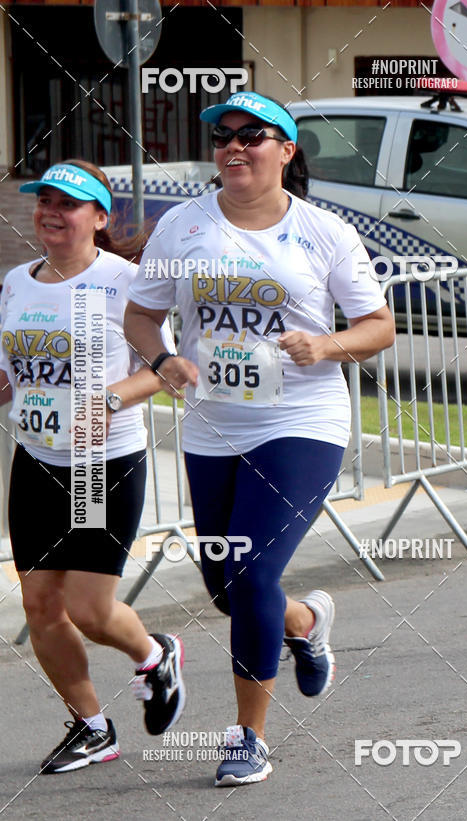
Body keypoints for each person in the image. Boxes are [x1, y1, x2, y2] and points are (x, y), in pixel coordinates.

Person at [124, 92, 395, 787]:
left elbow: (378, 326)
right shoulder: (180, 227)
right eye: (223, 137)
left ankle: (248, 736)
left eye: (253, 135)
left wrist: (327, 343)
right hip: (215, 423)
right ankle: (304, 620)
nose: (234, 147)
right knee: (227, 586)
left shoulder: (325, 232)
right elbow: (141, 316)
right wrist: (162, 362)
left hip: (301, 420)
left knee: (250, 575)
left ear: (287, 150)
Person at [0, 160, 185, 774]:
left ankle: (154, 655)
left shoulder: (126, 282)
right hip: (35, 459)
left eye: (68, 204)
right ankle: (91, 726)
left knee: (88, 609)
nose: (51, 211)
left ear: (100, 218)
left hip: (100, 465)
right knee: (39, 606)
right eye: (44, 200)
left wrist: (107, 400)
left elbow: (164, 369)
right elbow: (14, 374)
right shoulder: (15, 282)